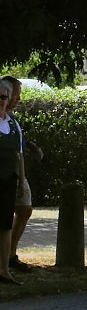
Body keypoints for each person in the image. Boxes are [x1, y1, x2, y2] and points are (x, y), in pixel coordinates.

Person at [1, 76, 37, 272]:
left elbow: (18, 143)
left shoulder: (11, 119)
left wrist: (31, 147)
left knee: (24, 209)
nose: (18, 99)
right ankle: (7, 258)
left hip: (16, 170)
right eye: (16, 94)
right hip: (6, 171)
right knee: (6, 217)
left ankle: (10, 255)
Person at [0, 79, 24, 284]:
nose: (1, 101)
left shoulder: (12, 123)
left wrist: (21, 180)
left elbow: (19, 154)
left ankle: (4, 270)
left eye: (4, 97)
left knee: (5, 226)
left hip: (9, 179)